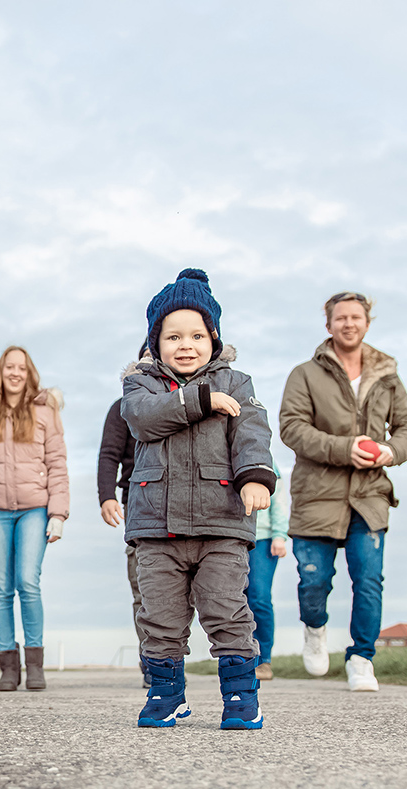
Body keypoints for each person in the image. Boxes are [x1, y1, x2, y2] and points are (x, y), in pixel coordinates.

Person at [121, 269, 275, 730]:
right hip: (156, 527)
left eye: (196, 334)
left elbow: (252, 434)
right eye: (172, 336)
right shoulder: (140, 384)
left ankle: (241, 698)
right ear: (155, 342)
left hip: (221, 523)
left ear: (213, 338)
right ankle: (166, 696)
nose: (185, 345)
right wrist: (201, 398)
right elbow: (144, 420)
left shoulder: (239, 383)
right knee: (161, 617)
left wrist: (256, 478)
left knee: (226, 610)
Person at [279, 291, 407, 692]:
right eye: (340, 318)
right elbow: (292, 427)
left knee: (369, 579)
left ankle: (361, 659)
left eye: (356, 317)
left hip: (370, 494)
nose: (348, 324)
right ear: (329, 325)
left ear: (367, 322)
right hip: (316, 495)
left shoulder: (387, 375)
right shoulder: (304, 374)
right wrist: (345, 449)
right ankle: (315, 627)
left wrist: (390, 452)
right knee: (314, 582)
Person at [0, 346, 69, 692]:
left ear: (29, 373)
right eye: (9, 367)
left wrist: (58, 513)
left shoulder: (45, 411)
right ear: (1, 372)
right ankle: (8, 667)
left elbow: (57, 464)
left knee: (27, 582)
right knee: (0, 588)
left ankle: (35, 665)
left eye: (21, 368)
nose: (15, 373)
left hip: (33, 509)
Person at [97, 358, 146, 688]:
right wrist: (106, 496)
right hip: (139, 504)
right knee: (143, 590)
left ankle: (173, 655)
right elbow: (108, 454)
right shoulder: (121, 407)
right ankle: (154, 663)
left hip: (189, 504)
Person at [246, 462, 290, 681]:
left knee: (259, 597)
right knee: (233, 601)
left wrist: (279, 534)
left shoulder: (270, 463)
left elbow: (279, 501)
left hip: (262, 539)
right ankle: (239, 659)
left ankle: (263, 661)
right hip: (230, 536)